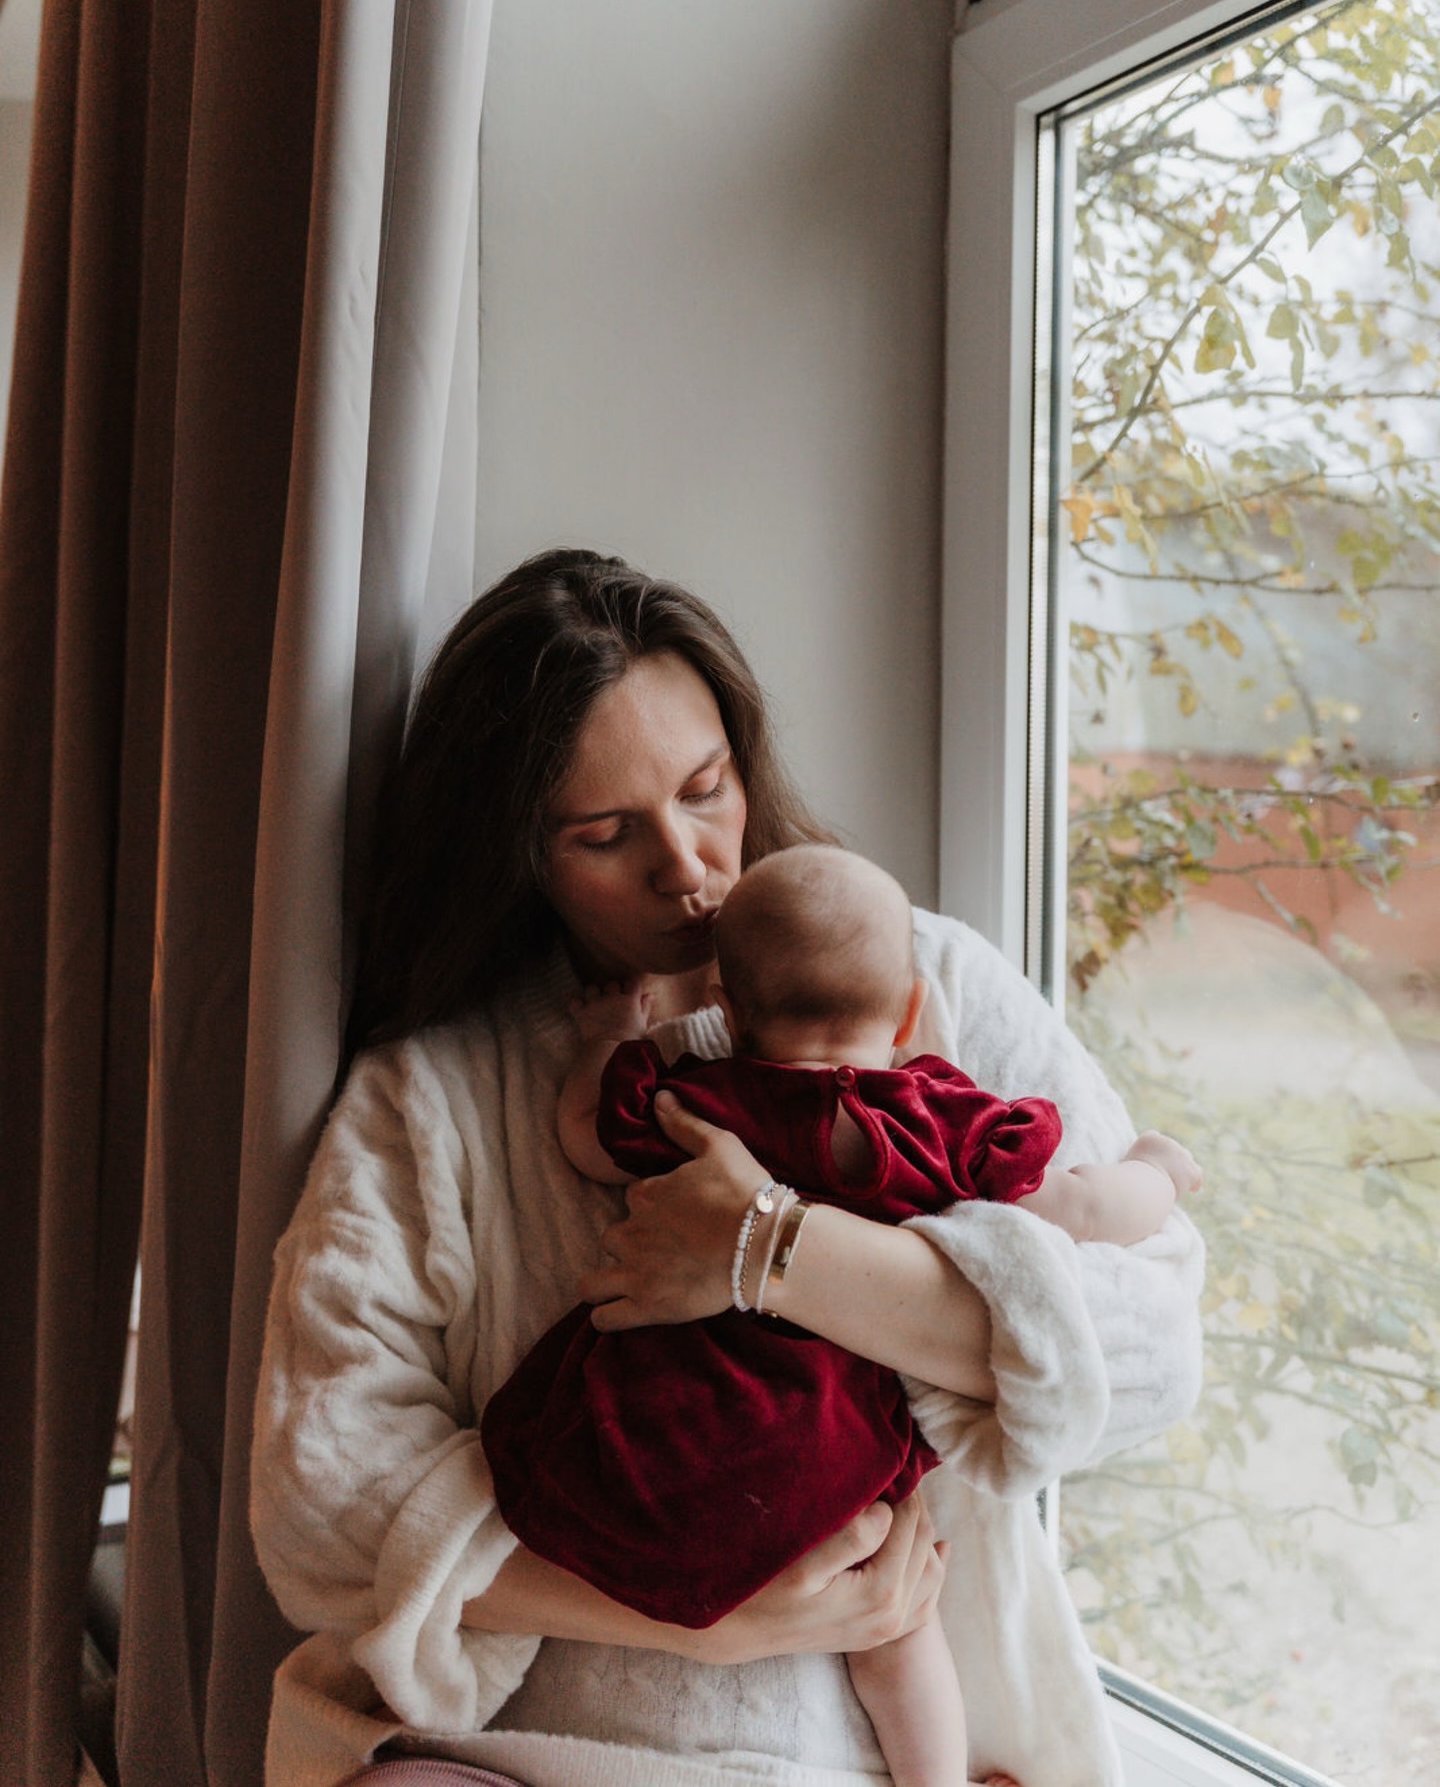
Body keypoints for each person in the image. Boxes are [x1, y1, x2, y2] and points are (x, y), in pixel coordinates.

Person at [250, 549, 1206, 1787]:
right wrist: (702, 1608)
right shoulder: (434, 1095)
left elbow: (1152, 1348)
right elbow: (319, 1504)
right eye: (605, 834)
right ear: (520, 852)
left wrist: (777, 1250)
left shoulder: (935, 984)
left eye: (707, 790)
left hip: (875, 1751)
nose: (688, 866)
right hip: (519, 1755)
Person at [481, 844, 1199, 1787]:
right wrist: (1155, 1172)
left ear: (727, 1014)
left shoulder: (702, 1100)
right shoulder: (942, 1121)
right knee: (897, 1633)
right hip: (828, 1459)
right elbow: (1078, 1213)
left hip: (663, 1436)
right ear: (908, 1009)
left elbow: (585, 1135)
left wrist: (618, 1038)